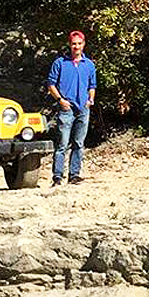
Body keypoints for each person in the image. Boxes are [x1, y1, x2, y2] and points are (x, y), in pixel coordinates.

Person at [45, 30, 97, 186]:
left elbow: (92, 85)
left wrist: (90, 99)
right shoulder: (60, 63)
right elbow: (51, 84)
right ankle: (57, 177)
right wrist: (61, 100)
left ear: (83, 44)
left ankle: (74, 175)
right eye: (74, 44)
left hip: (83, 108)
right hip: (66, 108)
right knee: (62, 144)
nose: (76, 46)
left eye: (79, 44)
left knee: (79, 143)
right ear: (70, 44)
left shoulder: (89, 64)